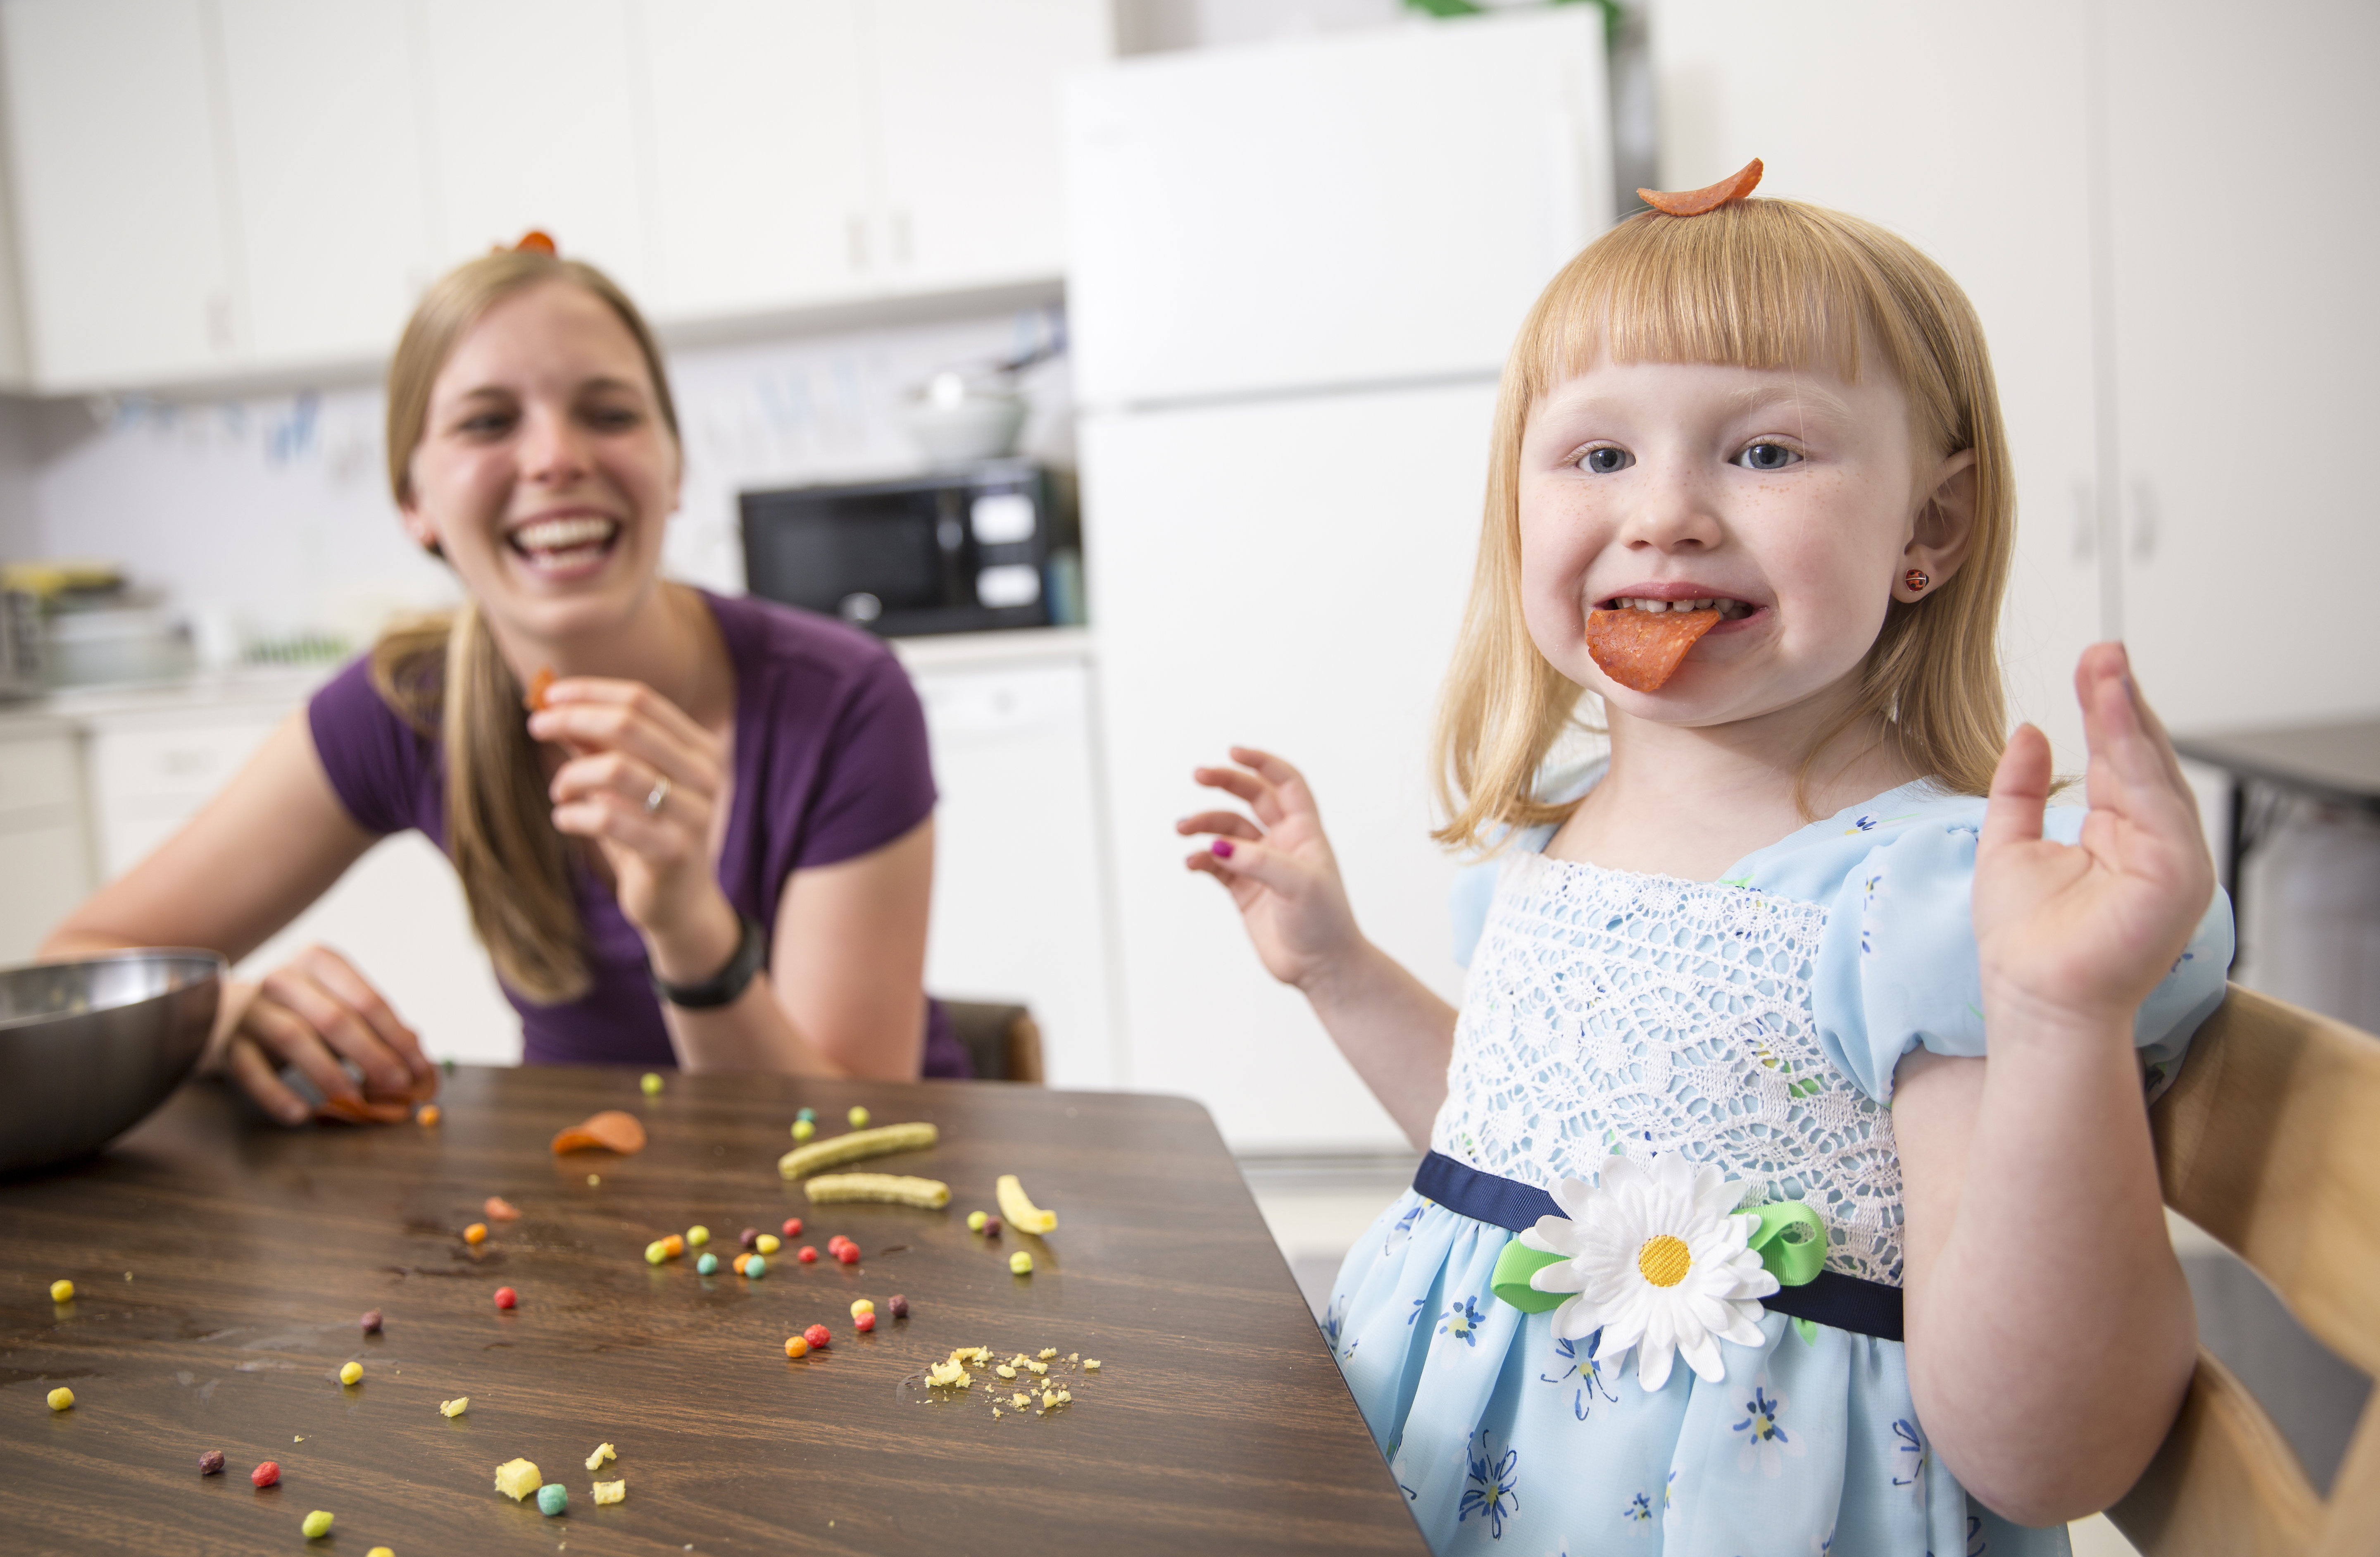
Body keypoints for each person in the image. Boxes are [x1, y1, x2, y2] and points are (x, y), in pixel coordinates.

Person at [1177, 192, 2230, 1553]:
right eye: (1601, 452)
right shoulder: (1547, 846)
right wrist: (1337, 969)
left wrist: (2059, 1024)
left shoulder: (1936, 907)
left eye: (1770, 450)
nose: (1664, 513)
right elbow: (1525, 1153)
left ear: (1934, 529)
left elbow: (2049, 1458)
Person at [45, 240, 966, 1122]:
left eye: (609, 413)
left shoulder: (843, 698)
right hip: (576, 1220)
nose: (556, 459)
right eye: (488, 422)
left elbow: (850, 1137)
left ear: (676, 467)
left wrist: (688, 923)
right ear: (415, 503)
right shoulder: (406, 708)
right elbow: (76, 965)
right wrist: (218, 1019)